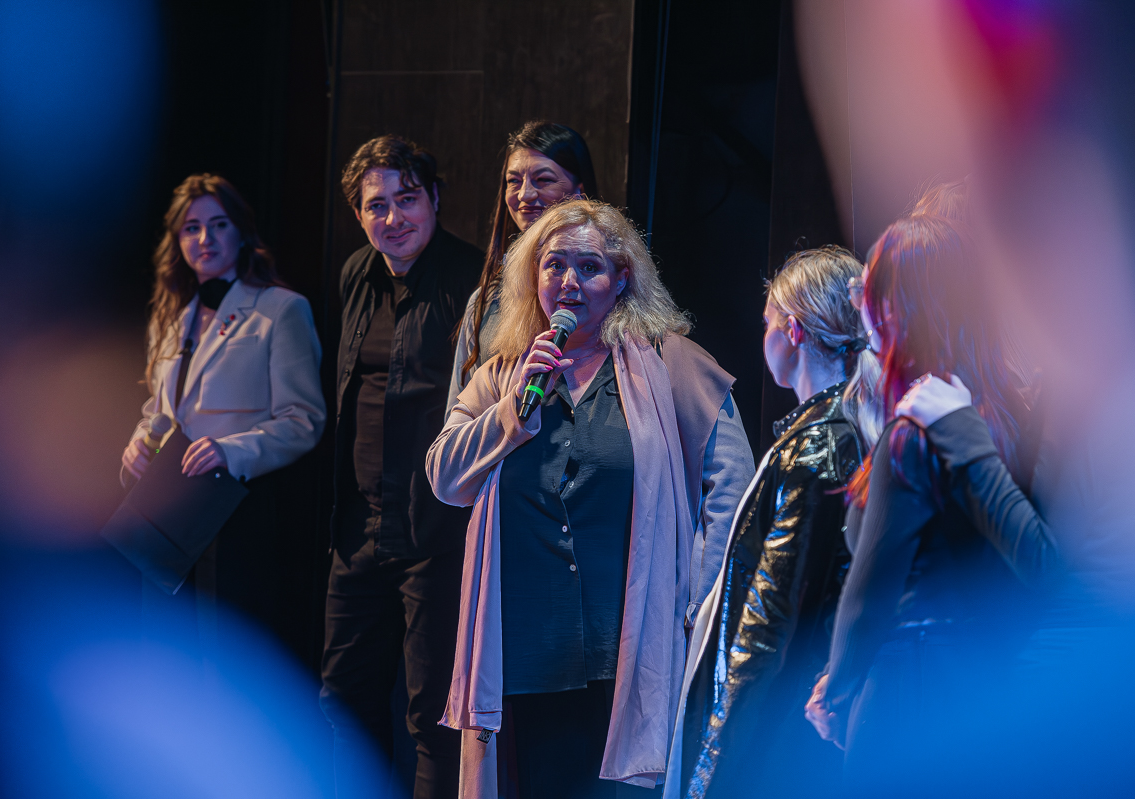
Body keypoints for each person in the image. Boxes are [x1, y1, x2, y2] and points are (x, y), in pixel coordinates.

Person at [426, 199, 754, 798]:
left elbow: (733, 487)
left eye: (588, 267)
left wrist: (698, 601)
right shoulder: (504, 374)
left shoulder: (670, 362)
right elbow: (445, 478)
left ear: (622, 278)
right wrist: (511, 413)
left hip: (632, 647)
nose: (568, 282)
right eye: (554, 265)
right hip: (528, 649)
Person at [803, 212, 1034, 795]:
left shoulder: (913, 432)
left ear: (894, 308)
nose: (861, 308)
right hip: (993, 685)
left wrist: (836, 687)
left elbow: (871, 591)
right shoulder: (1011, 415)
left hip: (909, 686)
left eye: (869, 292)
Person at [670, 246, 868, 799]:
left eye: (768, 322)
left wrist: (720, 756)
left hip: (782, 727)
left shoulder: (818, 447)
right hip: (800, 715)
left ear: (794, 330)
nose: (765, 337)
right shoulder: (838, 428)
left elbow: (771, 618)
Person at [320, 135, 482, 799]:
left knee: (433, 720)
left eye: (407, 199)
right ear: (358, 215)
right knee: (341, 703)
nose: (393, 217)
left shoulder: (475, 280)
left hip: (436, 534)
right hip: (358, 531)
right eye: (375, 205)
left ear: (435, 199)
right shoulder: (356, 273)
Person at [121, 173, 325, 646]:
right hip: (166, 509)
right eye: (191, 228)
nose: (205, 238)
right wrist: (138, 443)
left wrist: (231, 451)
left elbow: (304, 420)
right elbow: (159, 409)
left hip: (234, 513)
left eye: (218, 224)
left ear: (242, 231)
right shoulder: (170, 316)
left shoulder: (281, 309)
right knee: (165, 649)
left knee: (223, 651)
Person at [446, 121, 596, 418]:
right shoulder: (486, 300)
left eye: (543, 179)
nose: (525, 194)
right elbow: (458, 411)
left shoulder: (601, 293)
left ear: (579, 191)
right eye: (513, 181)